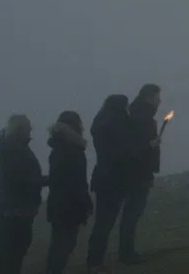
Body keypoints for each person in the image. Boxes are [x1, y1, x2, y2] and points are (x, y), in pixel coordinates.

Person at [0, 114, 46, 274]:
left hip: (10, 210)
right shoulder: (14, 152)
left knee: (7, 253)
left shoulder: (12, 149)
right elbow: (23, 182)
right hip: (15, 212)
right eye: (28, 127)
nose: (31, 130)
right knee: (13, 254)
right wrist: (50, 180)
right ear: (19, 129)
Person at [85, 94, 131, 272]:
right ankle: (95, 262)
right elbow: (122, 153)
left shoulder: (101, 123)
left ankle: (94, 259)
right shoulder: (117, 124)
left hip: (102, 176)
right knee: (105, 222)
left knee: (102, 222)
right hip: (114, 178)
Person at [118, 84, 163, 264]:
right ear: (149, 98)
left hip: (139, 173)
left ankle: (127, 250)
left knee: (132, 213)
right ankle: (126, 253)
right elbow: (136, 150)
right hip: (137, 174)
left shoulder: (138, 116)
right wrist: (150, 147)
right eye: (157, 97)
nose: (159, 101)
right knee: (132, 213)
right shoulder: (142, 119)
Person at [44, 110, 93, 274]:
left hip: (58, 202)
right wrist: (85, 202)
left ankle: (52, 269)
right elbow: (75, 181)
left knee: (58, 242)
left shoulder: (59, 148)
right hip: (69, 204)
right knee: (66, 242)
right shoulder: (72, 150)